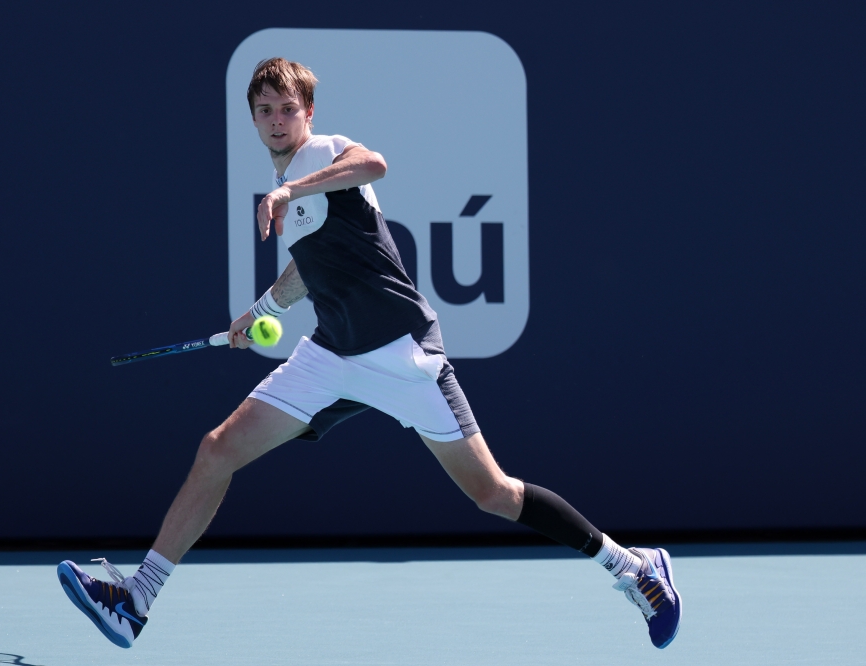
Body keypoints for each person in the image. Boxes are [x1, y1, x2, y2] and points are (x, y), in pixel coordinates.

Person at [57, 57, 681, 650]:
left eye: (288, 108)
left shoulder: (322, 154)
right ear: (252, 119)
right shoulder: (290, 186)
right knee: (218, 449)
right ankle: (138, 597)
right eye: (265, 109)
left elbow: (375, 164)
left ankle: (634, 568)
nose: (277, 118)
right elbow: (305, 272)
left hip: (403, 354)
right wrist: (261, 313)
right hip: (331, 355)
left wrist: (288, 190)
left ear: (307, 113)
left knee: (492, 493)